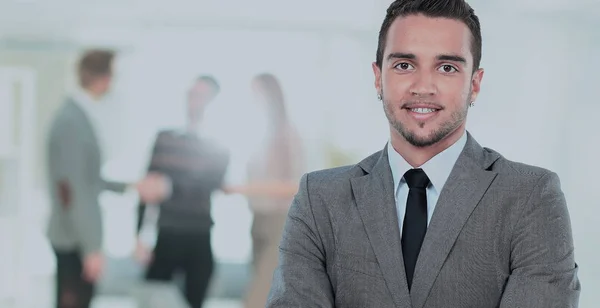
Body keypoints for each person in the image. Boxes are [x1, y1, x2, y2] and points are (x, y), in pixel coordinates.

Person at [266, 0, 581, 307]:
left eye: (446, 67)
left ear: (475, 84)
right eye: (404, 65)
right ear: (378, 77)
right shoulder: (320, 198)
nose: (423, 86)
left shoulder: (530, 196)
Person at [46, 49, 168, 308]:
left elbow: (89, 180)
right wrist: (90, 248)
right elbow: (74, 189)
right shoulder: (71, 121)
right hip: (73, 238)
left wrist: (132, 186)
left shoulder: (78, 116)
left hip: (74, 235)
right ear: (103, 77)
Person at [135, 75, 230, 308]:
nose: (195, 101)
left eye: (202, 96)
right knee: (152, 299)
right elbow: (148, 188)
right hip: (166, 234)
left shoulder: (219, 144)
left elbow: (209, 183)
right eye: (192, 94)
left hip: (199, 236)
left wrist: (169, 186)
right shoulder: (165, 139)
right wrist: (138, 236)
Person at [223, 73, 304, 308]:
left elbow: (294, 185)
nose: (255, 99)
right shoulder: (261, 135)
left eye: (259, 93)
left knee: (256, 297)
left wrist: (243, 188)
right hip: (258, 219)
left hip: (280, 222)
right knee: (268, 293)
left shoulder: (288, 133)